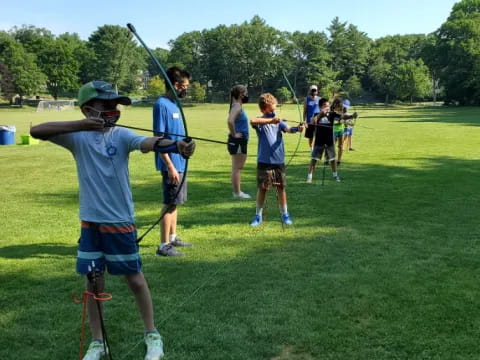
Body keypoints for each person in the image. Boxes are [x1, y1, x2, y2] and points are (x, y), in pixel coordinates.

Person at [30, 80, 195, 360]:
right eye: (106, 106)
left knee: (135, 280)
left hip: (120, 222)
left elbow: (149, 142)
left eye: (115, 106)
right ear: (87, 109)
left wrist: (178, 146)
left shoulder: (120, 135)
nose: (113, 111)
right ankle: (98, 342)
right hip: (90, 224)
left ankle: (152, 334)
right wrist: (81, 126)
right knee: (94, 283)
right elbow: (37, 130)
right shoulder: (76, 136)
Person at [153, 66, 194, 257]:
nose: (187, 89)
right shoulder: (161, 104)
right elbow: (159, 139)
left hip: (181, 162)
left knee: (175, 202)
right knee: (169, 203)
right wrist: (169, 165)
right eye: (185, 85)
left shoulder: (175, 104)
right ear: (176, 85)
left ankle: (173, 237)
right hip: (171, 165)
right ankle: (163, 245)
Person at [249, 93, 304, 227]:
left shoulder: (279, 122)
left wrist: (298, 128)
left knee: (281, 188)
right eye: (271, 109)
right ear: (263, 109)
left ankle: (285, 214)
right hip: (264, 161)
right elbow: (253, 121)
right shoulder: (261, 122)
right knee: (263, 189)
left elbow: (289, 129)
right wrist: (271, 121)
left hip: (278, 161)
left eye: (275, 109)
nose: (274, 112)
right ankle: (258, 216)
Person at [227, 84, 251, 199]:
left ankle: (236, 192)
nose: (246, 95)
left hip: (240, 140)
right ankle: (237, 193)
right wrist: (234, 134)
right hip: (238, 141)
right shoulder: (237, 106)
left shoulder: (236, 106)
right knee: (237, 167)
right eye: (245, 92)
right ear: (240, 94)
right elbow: (230, 121)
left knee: (237, 167)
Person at [303, 85, 320, 149]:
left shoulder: (319, 99)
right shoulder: (307, 99)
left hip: (318, 120)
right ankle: (311, 148)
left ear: (317, 91)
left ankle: (317, 147)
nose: (314, 91)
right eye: (312, 90)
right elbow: (304, 111)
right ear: (310, 91)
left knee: (318, 135)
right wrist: (304, 121)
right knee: (311, 136)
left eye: (315, 90)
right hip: (309, 121)